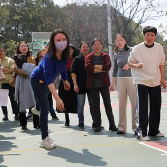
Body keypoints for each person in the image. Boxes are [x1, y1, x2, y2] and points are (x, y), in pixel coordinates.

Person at [31, 29, 70, 149]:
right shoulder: (48, 58)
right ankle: (45, 139)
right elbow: (48, 79)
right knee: (45, 108)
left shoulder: (65, 56)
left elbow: (63, 68)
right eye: (58, 40)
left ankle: (36, 108)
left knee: (42, 106)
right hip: (38, 81)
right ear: (53, 42)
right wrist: (57, 98)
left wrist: (65, 79)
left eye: (64, 39)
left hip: (47, 83)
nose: (62, 42)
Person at [128, 26, 166, 141]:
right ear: (144, 35)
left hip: (155, 80)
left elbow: (161, 63)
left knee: (156, 106)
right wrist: (137, 65)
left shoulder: (159, 47)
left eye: (152, 35)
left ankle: (154, 130)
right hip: (141, 80)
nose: (150, 37)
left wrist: (162, 79)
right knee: (142, 107)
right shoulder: (137, 48)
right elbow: (129, 62)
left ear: (155, 36)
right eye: (147, 35)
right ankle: (141, 132)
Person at [85, 38, 118, 132]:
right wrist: (101, 68)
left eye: (98, 44)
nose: (97, 46)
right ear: (92, 47)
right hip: (93, 85)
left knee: (107, 104)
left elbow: (108, 66)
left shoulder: (105, 56)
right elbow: (88, 68)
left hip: (104, 84)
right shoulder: (89, 57)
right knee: (96, 105)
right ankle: (98, 125)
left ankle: (112, 125)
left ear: (101, 45)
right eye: (95, 45)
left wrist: (95, 67)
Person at [109, 34, 136, 134]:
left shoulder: (132, 50)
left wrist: (129, 65)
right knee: (122, 104)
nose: (119, 42)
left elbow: (137, 62)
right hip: (120, 80)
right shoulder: (116, 54)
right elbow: (114, 70)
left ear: (125, 41)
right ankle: (122, 127)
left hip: (131, 79)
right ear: (115, 43)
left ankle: (135, 127)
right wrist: (112, 84)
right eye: (117, 41)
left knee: (134, 104)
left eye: (121, 40)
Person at [71, 41, 96, 130]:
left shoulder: (92, 58)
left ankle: (95, 122)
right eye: (83, 47)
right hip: (80, 86)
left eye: (86, 47)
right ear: (80, 49)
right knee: (80, 105)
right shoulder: (77, 59)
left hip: (91, 86)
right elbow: (73, 72)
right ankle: (81, 123)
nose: (85, 48)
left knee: (92, 105)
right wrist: (75, 85)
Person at [13, 41, 36, 130]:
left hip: (31, 81)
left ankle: (36, 123)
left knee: (34, 102)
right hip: (21, 82)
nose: (23, 47)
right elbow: (14, 68)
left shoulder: (32, 58)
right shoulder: (15, 58)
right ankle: (23, 124)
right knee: (21, 102)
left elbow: (35, 69)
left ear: (27, 47)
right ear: (19, 48)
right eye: (21, 46)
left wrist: (26, 72)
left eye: (25, 46)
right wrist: (20, 72)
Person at [57, 44, 79, 126]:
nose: (70, 51)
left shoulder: (76, 59)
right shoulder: (62, 59)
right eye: (68, 49)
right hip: (64, 79)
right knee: (64, 99)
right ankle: (66, 118)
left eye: (72, 49)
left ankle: (80, 119)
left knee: (75, 99)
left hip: (74, 79)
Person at [0, 47, 19, 121]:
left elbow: (12, 69)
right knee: (3, 100)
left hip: (11, 83)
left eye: (1, 51)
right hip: (2, 83)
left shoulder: (10, 60)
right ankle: (5, 115)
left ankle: (16, 114)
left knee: (13, 99)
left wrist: (4, 70)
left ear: (4, 52)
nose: (0, 52)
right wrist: (6, 70)